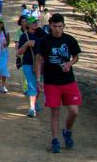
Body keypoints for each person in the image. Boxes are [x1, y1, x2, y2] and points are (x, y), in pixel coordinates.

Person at [35, 13, 82, 153]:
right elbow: (38, 60)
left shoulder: (70, 40)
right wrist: (38, 79)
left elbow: (76, 57)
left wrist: (70, 63)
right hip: (51, 82)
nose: (57, 29)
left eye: (59, 26)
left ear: (64, 26)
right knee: (55, 112)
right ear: (50, 26)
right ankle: (55, 140)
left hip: (68, 81)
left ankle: (67, 131)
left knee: (74, 111)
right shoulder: (43, 41)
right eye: (54, 26)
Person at [16, 15, 45, 116]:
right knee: (32, 85)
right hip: (28, 63)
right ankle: (32, 108)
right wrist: (26, 44)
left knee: (39, 86)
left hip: (40, 64)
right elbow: (18, 52)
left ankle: (34, 101)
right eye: (33, 22)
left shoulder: (41, 33)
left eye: (36, 22)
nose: (35, 24)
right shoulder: (24, 36)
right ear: (28, 25)